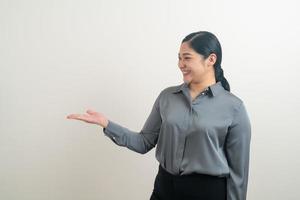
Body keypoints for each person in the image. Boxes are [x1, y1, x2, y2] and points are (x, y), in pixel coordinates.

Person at [66, 31, 251, 200]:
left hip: (207, 193)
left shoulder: (234, 108)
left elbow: (239, 173)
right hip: (165, 188)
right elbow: (144, 142)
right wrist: (106, 124)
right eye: (179, 58)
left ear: (211, 59)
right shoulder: (167, 97)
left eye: (187, 58)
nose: (181, 64)